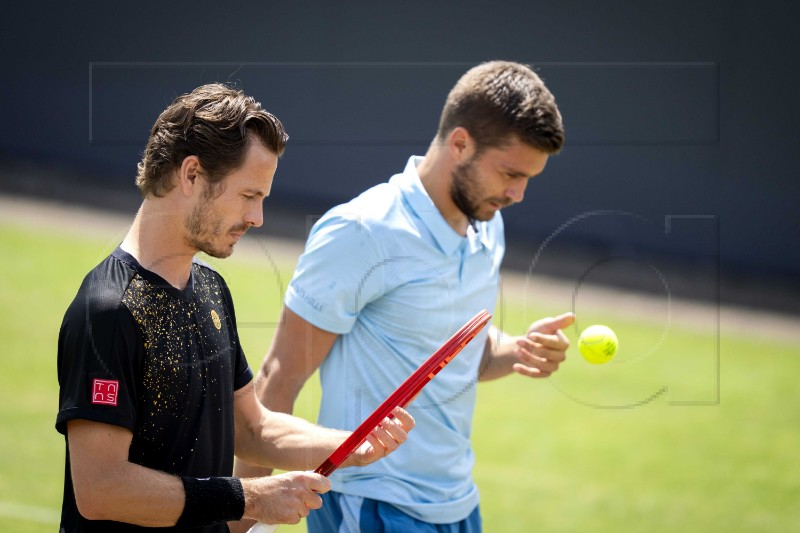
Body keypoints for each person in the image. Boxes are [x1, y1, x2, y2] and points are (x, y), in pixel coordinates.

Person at [55, 83, 415, 533]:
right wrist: (251, 498)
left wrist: (352, 445)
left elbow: (252, 430)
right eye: (249, 196)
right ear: (191, 175)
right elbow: (102, 488)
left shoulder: (210, 289)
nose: (258, 218)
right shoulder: (108, 311)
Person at [232, 61, 574, 532]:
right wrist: (245, 519)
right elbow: (279, 377)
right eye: (510, 173)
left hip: (458, 507)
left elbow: (454, 354)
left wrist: (517, 350)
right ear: (460, 144)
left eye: (528, 178)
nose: (518, 194)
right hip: (368, 505)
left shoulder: (488, 226)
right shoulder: (361, 231)